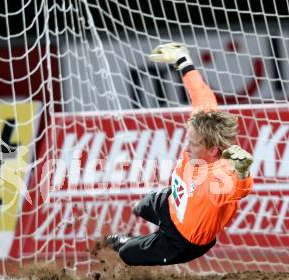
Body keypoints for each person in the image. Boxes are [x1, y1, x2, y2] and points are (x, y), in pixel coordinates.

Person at [105, 42, 254, 266]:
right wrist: (184, 61)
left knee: (127, 253)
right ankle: (153, 214)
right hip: (172, 201)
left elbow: (240, 189)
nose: (186, 148)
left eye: (192, 144)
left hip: (183, 241)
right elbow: (201, 95)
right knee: (143, 206)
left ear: (213, 150)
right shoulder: (205, 123)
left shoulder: (221, 175)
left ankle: (131, 242)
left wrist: (243, 172)